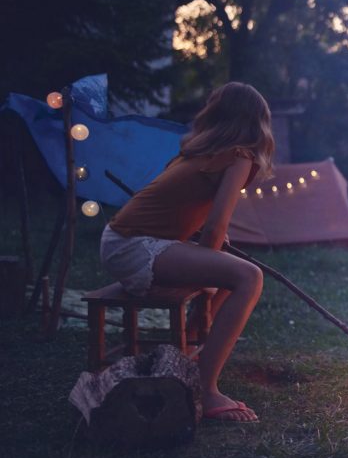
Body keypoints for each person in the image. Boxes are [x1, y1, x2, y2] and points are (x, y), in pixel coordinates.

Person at [100, 82, 275, 423]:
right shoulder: (240, 156)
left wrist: (209, 270)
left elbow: (191, 221)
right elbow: (213, 229)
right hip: (134, 246)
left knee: (232, 270)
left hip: (121, 242)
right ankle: (205, 390)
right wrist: (207, 283)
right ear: (257, 123)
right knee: (248, 276)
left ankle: (194, 342)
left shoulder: (197, 153)